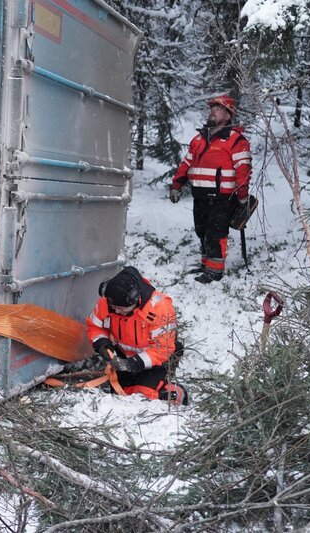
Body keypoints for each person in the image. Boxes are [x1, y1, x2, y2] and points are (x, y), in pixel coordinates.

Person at [169, 94, 252, 284]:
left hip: (223, 197)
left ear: (228, 115)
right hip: (200, 195)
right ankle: (206, 264)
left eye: (218, 109)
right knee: (202, 231)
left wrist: (242, 196)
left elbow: (243, 170)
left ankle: (215, 271)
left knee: (216, 233)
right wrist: (176, 184)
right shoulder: (199, 138)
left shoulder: (236, 140)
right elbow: (186, 163)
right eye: (212, 109)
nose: (213, 112)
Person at [86, 266, 188, 405]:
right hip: (123, 357)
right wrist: (102, 344)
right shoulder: (108, 302)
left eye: (121, 309)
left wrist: (135, 363)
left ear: (135, 300)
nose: (117, 311)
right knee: (122, 395)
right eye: (114, 307)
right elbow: (95, 327)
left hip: (157, 360)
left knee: (145, 396)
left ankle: (175, 392)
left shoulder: (159, 307)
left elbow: (162, 348)